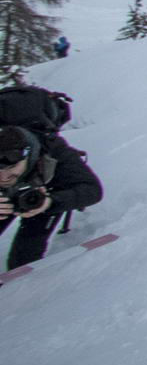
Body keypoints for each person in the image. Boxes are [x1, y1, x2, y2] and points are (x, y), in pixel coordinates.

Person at [1, 107, 101, 270]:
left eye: (11, 168)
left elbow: (92, 190)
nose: (4, 177)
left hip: (42, 198)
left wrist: (51, 202)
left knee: (23, 259)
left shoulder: (53, 150)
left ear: (28, 155)